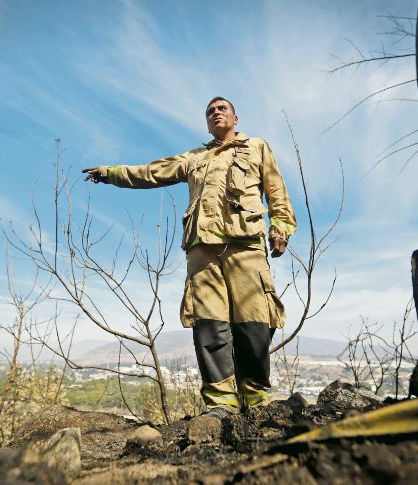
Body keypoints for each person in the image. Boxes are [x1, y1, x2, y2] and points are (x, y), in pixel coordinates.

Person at [82, 97, 296, 414]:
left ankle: (255, 396)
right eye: (210, 111)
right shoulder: (194, 157)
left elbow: (277, 191)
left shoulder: (257, 147)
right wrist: (113, 173)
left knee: (255, 322)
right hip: (201, 249)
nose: (215, 112)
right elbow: (152, 172)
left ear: (236, 117)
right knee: (210, 325)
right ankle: (220, 402)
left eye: (222, 108)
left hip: (246, 243)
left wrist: (280, 227)